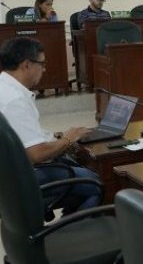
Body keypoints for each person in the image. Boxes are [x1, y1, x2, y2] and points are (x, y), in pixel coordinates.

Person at [0, 37, 100, 215]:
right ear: (26, 65)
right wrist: (68, 139)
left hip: (10, 174)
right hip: (23, 177)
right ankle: (74, 237)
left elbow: (21, 136)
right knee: (96, 183)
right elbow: (37, 154)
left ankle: (68, 228)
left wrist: (55, 138)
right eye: (42, 64)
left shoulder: (5, 87)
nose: (44, 70)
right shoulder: (14, 100)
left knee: (79, 169)